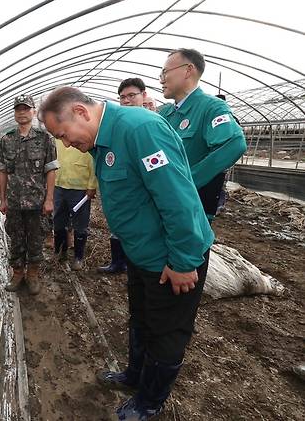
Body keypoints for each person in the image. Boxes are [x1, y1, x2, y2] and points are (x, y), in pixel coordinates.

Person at [39, 87, 214, 420]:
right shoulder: (103, 140)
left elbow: (178, 199)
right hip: (142, 255)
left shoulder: (138, 129)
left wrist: (183, 261)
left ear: (80, 112)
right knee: (142, 318)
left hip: (169, 260)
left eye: (63, 135)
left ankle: (149, 402)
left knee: (166, 331)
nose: (64, 144)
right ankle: (135, 375)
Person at [158, 48, 246, 220]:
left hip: (189, 210)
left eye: (165, 72)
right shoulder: (165, 113)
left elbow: (234, 145)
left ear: (188, 70)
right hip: (161, 203)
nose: (161, 80)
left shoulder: (211, 108)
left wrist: (188, 181)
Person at [0, 94, 59, 295]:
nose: (21, 112)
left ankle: (32, 275)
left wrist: (49, 199)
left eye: (26, 108)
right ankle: (17, 273)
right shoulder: (7, 140)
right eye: (18, 109)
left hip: (37, 201)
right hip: (15, 202)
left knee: (36, 239)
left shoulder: (45, 139)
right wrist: (3, 199)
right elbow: (3, 172)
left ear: (34, 111)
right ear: (15, 113)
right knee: (15, 238)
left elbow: (50, 170)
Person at [98, 77, 149, 275]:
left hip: (143, 195)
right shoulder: (117, 127)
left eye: (131, 96)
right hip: (123, 193)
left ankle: (134, 263)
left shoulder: (149, 125)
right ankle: (118, 263)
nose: (126, 101)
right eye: (122, 97)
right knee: (118, 228)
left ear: (143, 96)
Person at [52, 139, 97, 271]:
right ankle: (60, 251)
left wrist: (92, 185)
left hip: (80, 188)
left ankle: (78, 257)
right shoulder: (58, 138)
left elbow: (94, 162)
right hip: (59, 185)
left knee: (80, 224)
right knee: (59, 221)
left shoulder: (85, 137)